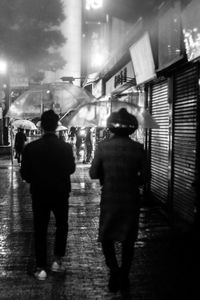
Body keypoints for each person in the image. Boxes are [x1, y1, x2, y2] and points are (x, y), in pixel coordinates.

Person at [89, 108, 146, 293]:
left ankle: (114, 270)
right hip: (131, 199)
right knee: (128, 240)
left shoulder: (102, 147)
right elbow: (146, 177)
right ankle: (125, 275)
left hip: (110, 198)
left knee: (107, 237)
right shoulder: (138, 148)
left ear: (110, 126)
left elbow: (93, 173)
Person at [20, 110, 76, 281]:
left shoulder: (31, 148)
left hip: (40, 193)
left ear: (42, 126)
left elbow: (25, 174)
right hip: (60, 193)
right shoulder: (65, 147)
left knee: (40, 229)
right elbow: (71, 169)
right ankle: (57, 261)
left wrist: (37, 179)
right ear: (56, 125)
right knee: (62, 226)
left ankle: (40, 266)